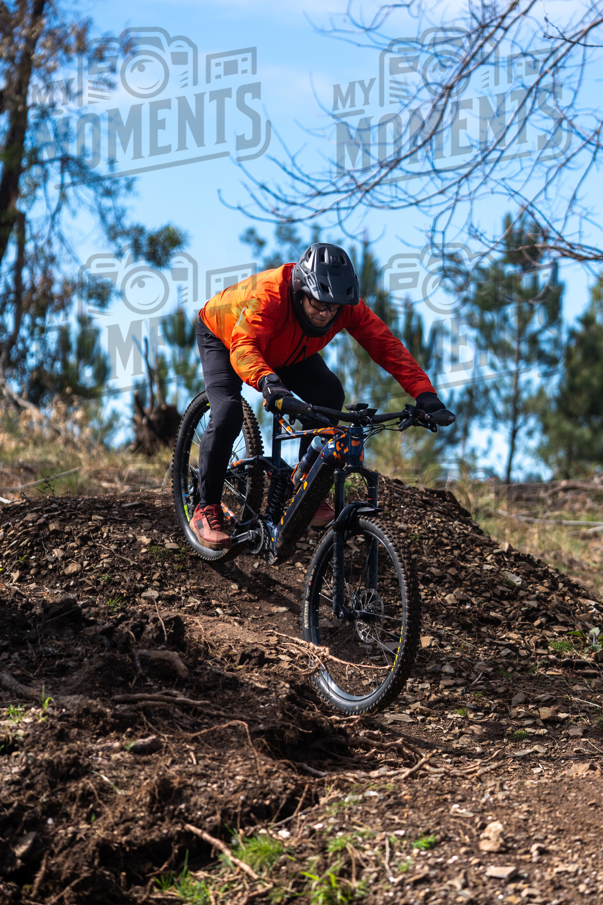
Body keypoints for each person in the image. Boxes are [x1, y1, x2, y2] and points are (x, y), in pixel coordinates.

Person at [191, 243, 448, 550]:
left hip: (287, 349)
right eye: (319, 305)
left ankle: (298, 487)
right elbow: (245, 347)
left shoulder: (344, 306)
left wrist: (425, 394)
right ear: (300, 290)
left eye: (333, 308)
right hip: (225, 336)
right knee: (228, 412)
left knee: (328, 394)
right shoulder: (269, 296)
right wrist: (267, 381)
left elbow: (387, 347)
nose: (326, 314)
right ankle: (205, 507)